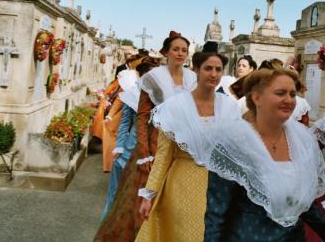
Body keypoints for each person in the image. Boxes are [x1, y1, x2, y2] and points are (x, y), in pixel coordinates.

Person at [204, 68, 325, 241]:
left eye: (293, 94)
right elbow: (217, 213)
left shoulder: (303, 139)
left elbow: (306, 205)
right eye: (280, 93)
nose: (289, 100)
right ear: (257, 98)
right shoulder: (233, 143)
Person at [94, 31, 197, 241]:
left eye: (184, 50)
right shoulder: (153, 77)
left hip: (179, 146)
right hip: (153, 140)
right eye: (175, 49)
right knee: (139, 200)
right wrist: (144, 152)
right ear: (166, 52)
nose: (180, 53)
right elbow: (141, 117)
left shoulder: (192, 78)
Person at [135, 49, 240, 242]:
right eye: (208, 68)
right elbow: (163, 156)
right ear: (196, 70)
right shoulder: (175, 107)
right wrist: (149, 194)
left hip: (219, 187)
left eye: (218, 69)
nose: (214, 74)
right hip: (182, 185)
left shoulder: (231, 108)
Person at [100, 56, 159, 220]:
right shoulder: (132, 94)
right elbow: (125, 123)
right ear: (140, 76)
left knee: (139, 203)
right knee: (115, 197)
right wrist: (119, 146)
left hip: (151, 155)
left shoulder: (162, 97)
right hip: (128, 152)